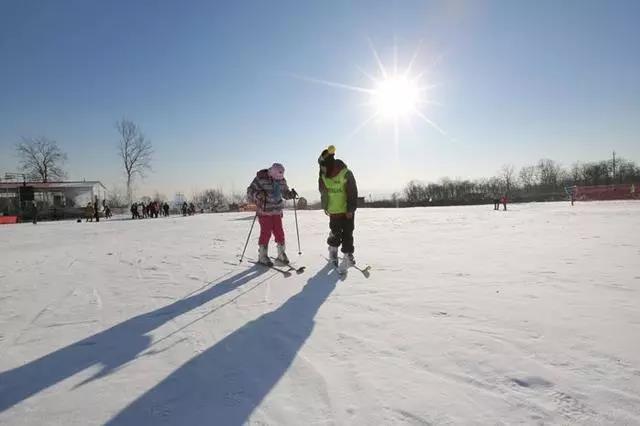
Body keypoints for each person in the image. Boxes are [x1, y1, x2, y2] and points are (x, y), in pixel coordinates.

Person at [247, 163, 297, 266]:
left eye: (280, 178)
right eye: (277, 178)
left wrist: (290, 194)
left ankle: (281, 253)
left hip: (277, 211)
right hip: (264, 211)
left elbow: (285, 193)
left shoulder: (281, 180)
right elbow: (250, 192)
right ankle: (263, 255)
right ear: (271, 173)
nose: (279, 180)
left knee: (279, 232)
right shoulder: (261, 178)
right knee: (266, 232)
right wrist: (258, 195)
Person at [318, 145, 358, 268]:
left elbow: (352, 192)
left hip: (347, 211)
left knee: (348, 233)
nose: (321, 168)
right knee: (335, 233)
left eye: (322, 165)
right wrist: (325, 206)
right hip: (334, 211)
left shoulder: (346, 173)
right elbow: (323, 192)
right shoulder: (323, 176)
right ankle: (333, 252)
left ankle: (348, 254)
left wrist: (350, 209)